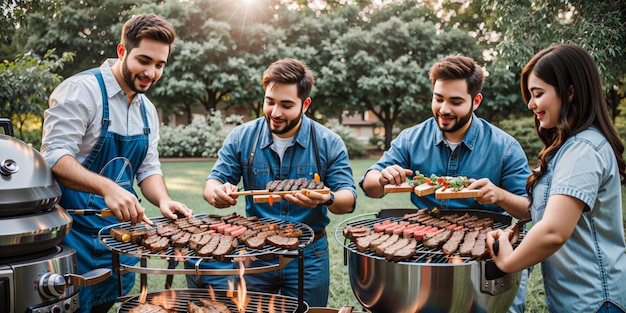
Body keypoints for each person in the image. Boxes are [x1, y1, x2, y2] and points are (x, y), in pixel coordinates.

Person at [41, 13, 192, 313]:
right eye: (144, 60)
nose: (151, 72)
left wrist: (163, 199)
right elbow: (54, 156)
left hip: (119, 241)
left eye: (160, 65)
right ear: (122, 51)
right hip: (74, 239)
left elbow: (148, 169)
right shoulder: (82, 91)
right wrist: (106, 187)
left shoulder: (148, 110)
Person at [359, 55, 531, 313]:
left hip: (485, 252)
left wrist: (499, 196)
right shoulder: (411, 139)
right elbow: (369, 185)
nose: (444, 109)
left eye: (456, 101)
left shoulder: (504, 147)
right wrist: (382, 178)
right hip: (423, 247)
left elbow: (529, 209)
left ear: (476, 101)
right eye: (438, 98)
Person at [188, 58, 357, 307]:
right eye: (270, 102)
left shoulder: (328, 142)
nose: (275, 113)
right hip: (256, 252)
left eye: (286, 105)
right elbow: (213, 183)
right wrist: (217, 192)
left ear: (305, 104)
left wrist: (327, 198)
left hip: (308, 255)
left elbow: (348, 199)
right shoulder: (241, 137)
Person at [486, 44, 626, 312]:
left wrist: (507, 262)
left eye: (538, 94)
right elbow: (549, 214)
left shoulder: (584, 150)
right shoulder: (568, 147)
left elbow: (553, 232)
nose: (531, 104)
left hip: (596, 301)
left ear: (570, 91)